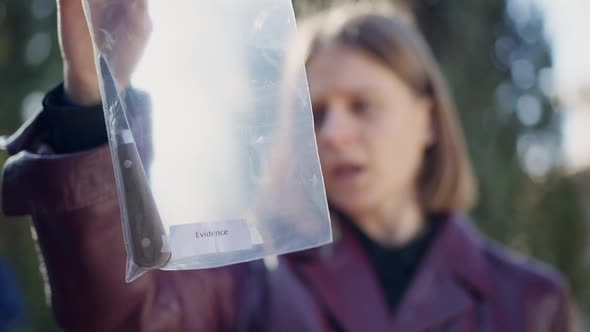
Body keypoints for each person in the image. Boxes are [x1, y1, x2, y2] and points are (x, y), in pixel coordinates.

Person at [0, 1, 576, 331]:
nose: (335, 132)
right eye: (316, 112)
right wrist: (92, 94)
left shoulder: (530, 300)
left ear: (428, 120)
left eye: (363, 106)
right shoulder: (252, 278)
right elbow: (122, 317)